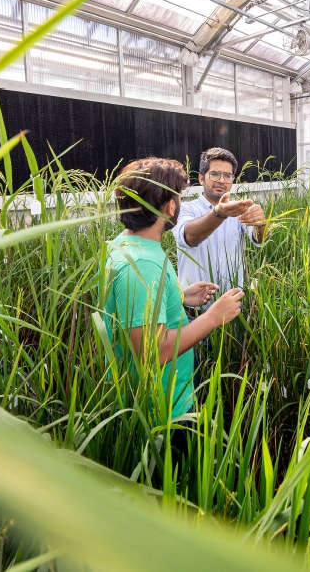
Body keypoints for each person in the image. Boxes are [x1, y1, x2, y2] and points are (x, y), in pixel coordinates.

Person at [103, 157, 245, 424]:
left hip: (162, 395)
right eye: (177, 197)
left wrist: (180, 295)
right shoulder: (142, 264)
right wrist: (213, 317)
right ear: (170, 206)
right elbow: (151, 352)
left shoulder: (129, 245)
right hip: (163, 408)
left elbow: (137, 309)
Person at [173, 147, 269, 294]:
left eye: (228, 176)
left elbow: (259, 239)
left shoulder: (239, 209)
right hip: (195, 311)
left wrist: (261, 224)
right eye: (215, 174)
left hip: (233, 308)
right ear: (201, 178)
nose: (221, 181)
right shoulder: (185, 209)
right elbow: (188, 237)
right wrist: (219, 213)